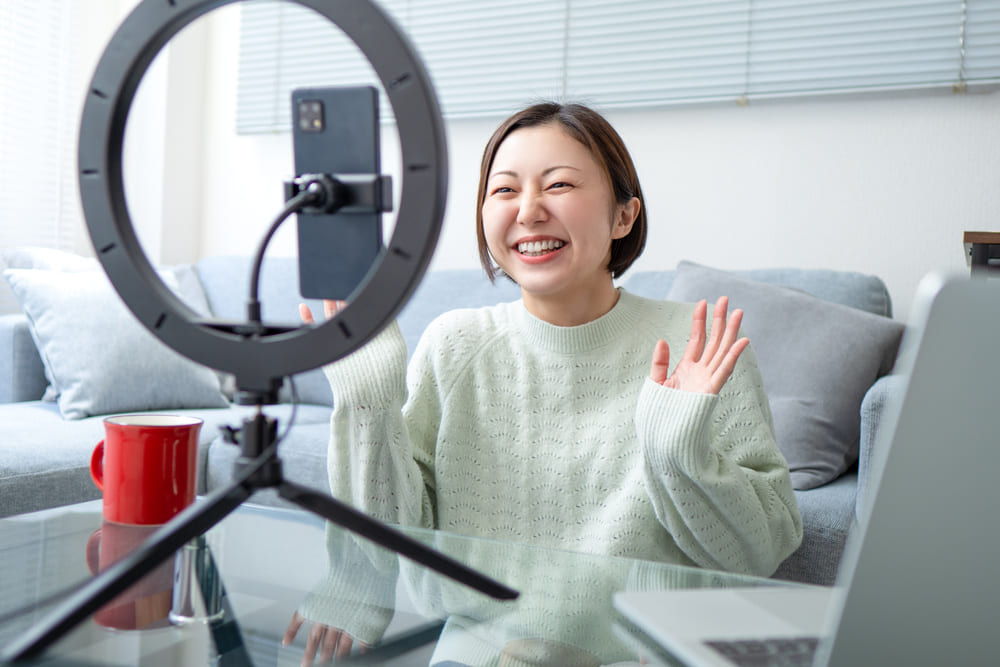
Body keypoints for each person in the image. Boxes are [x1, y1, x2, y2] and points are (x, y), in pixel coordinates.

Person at [301, 102, 802, 579]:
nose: (529, 211)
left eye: (559, 184)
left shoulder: (698, 349)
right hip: (483, 644)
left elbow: (757, 556)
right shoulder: (454, 344)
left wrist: (678, 450)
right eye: (504, 191)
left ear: (624, 217)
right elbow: (393, 548)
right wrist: (367, 398)